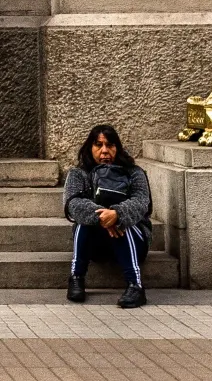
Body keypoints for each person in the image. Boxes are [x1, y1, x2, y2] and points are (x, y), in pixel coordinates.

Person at [63, 123, 152, 308]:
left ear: (117, 148)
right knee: (82, 223)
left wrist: (117, 215)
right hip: (95, 243)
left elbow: (142, 202)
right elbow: (73, 204)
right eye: (98, 145)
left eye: (110, 145)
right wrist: (104, 218)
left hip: (133, 241)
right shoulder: (78, 174)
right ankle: (77, 277)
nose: (104, 151)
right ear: (90, 148)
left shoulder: (134, 173)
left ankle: (135, 286)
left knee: (123, 223)